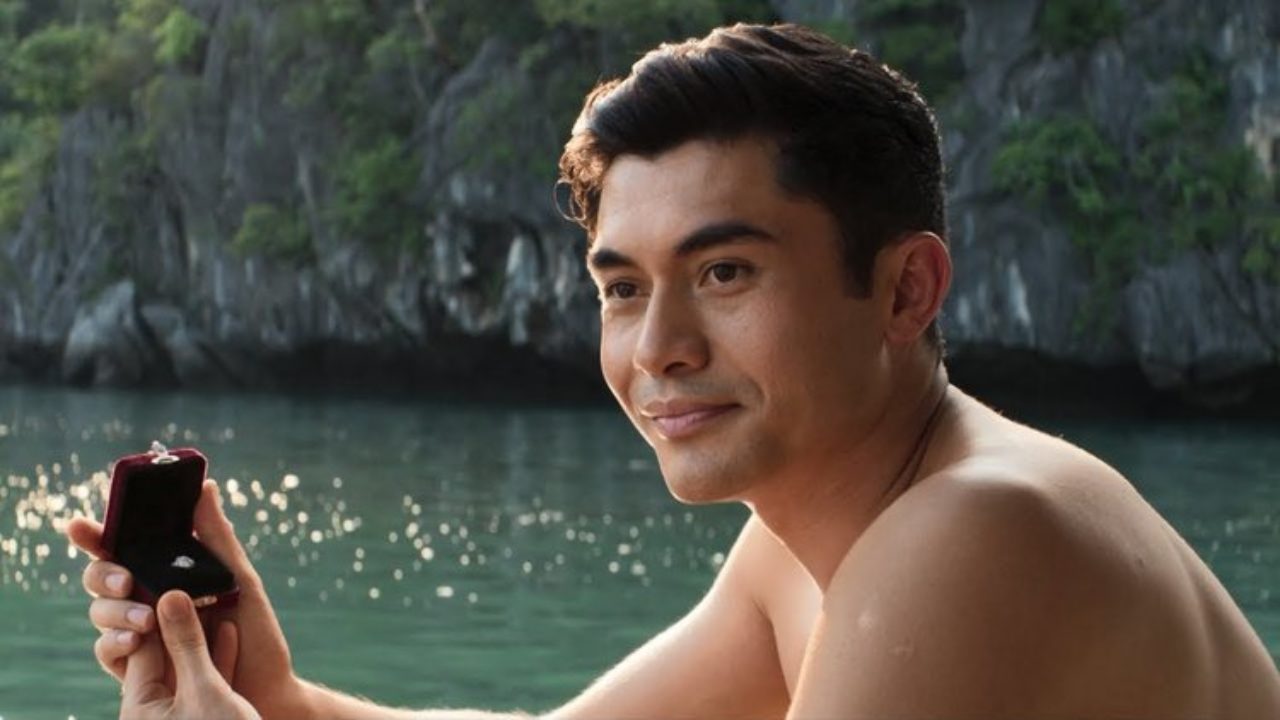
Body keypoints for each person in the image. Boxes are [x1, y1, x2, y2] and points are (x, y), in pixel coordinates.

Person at [68, 22, 1279, 719]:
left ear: (904, 290)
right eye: (621, 288)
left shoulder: (975, 529)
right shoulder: (816, 540)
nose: (657, 349)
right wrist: (280, 701)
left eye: (725, 272)